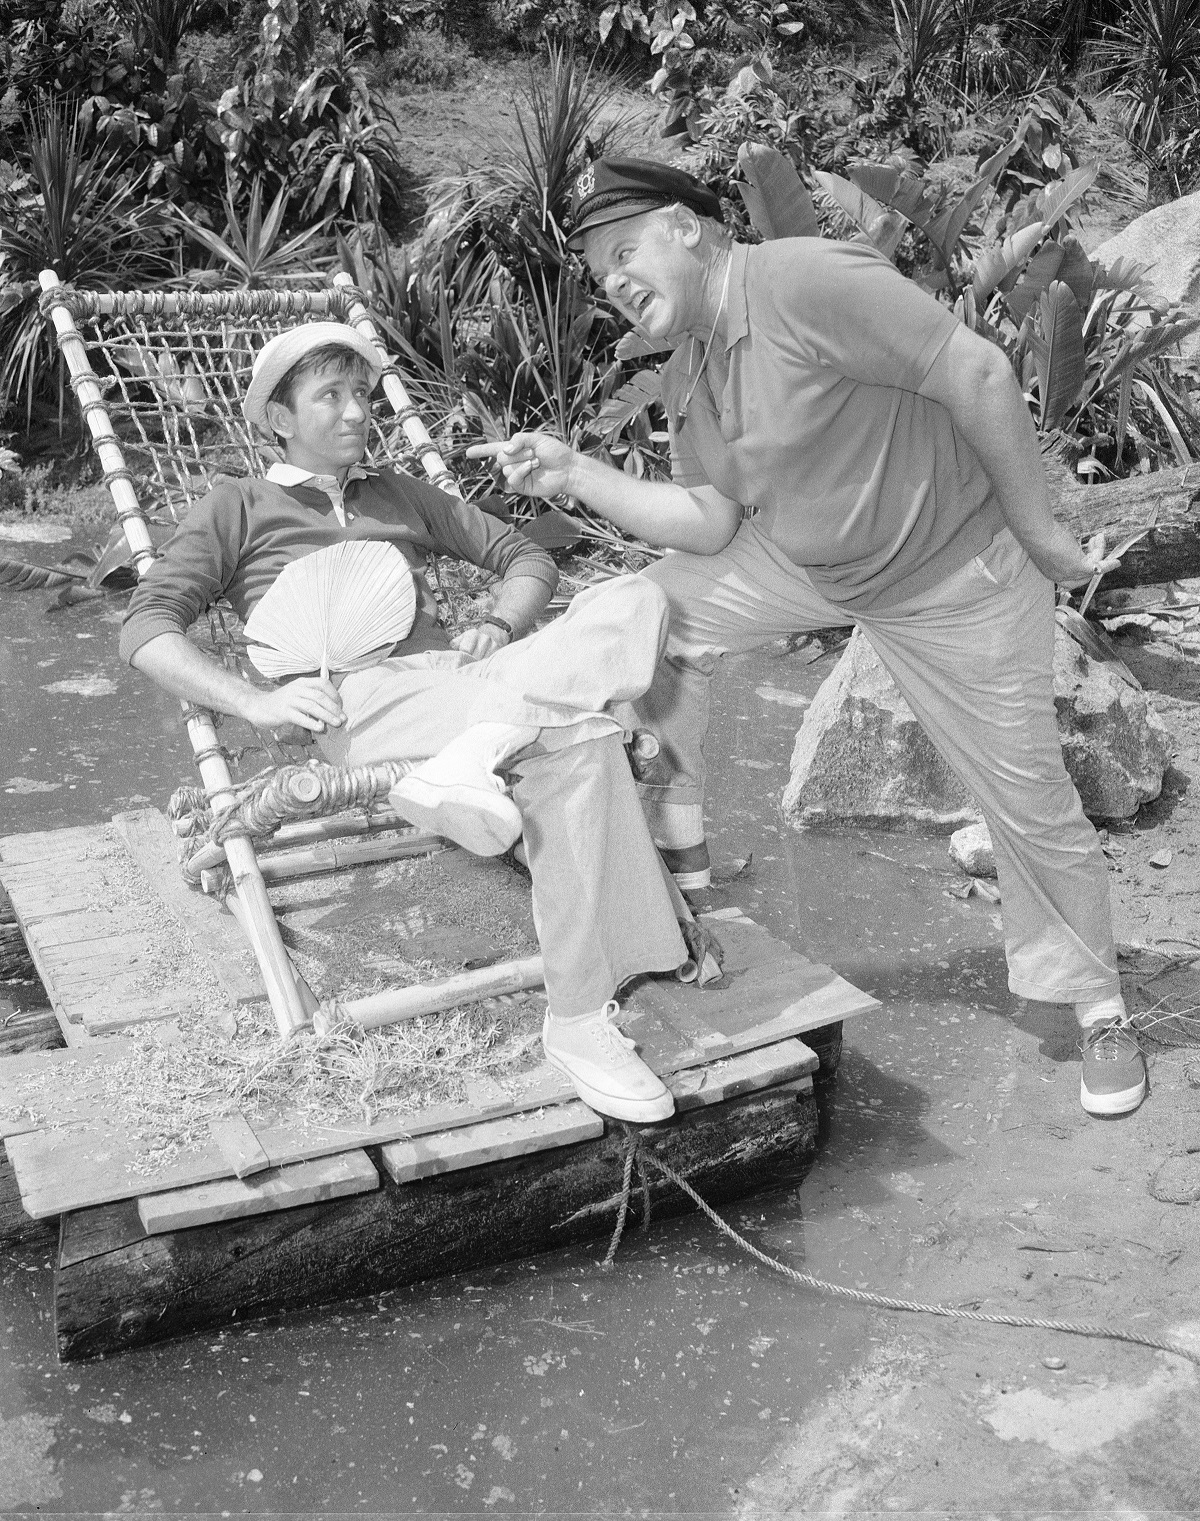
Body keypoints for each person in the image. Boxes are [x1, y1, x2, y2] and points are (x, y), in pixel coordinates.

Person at [468, 155, 1146, 1120]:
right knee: (645, 613)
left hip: (955, 577)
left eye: (627, 252)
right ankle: (676, 859)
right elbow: (707, 519)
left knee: (1024, 798)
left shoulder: (801, 279)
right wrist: (573, 472)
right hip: (809, 570)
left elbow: (978, 368)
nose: (615, 282)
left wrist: (1041, 533)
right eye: (600, 273)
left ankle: (1100, 1005)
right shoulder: (691, 368)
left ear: (690, 230)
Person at [120, 320, 693, 1125]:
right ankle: (580, 1017)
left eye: (362, 393)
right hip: (362, 701)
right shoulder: (236, 507)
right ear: (280, 418)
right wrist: (257, 701)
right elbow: (145, 631)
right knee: (589, 739)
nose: (358, 411)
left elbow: (528, 558)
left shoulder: (398, 492)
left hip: (462, 681)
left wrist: (502, 623)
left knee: (639, 597)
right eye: (332, 395)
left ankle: (479, 757)